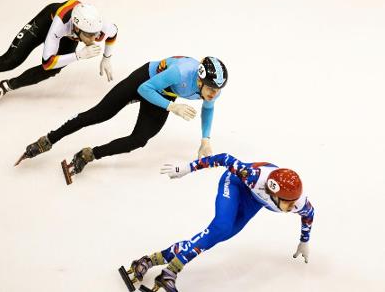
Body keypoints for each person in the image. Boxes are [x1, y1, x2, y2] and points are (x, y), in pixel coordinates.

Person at [120, 153, 314, 292]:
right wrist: (188, 167)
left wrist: (304, 240)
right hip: (236, 183)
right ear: (274, 193)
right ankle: (171, 272)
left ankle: (148, 260)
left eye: (292, 203)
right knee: (221, 226)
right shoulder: (252, 176)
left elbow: (309, 215)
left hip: (254, 200)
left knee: (215, 236)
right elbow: (223, 158)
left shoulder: (299, 203)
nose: (291, 207)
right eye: (287, 203)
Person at [16, 56, 229, 183]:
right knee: (99, 115)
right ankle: (48, 140)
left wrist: (205, 139)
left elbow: (208, 109)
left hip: (166, 93)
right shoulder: (181, 73)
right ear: (199, 80)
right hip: (145, 79)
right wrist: (172, 106)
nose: (213, 94)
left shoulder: (211, 91)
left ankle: (89, 155)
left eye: (217, 90)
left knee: (139, 140)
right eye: (211, 89)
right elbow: (144, 89)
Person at [0, 0, 118, 109]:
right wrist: (79, 56)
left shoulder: (96, 27)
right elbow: (47, 61)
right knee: (10, 60)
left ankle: (8, 85)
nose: (94, 39)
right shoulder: (60, 25)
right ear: (77, 28)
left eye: (95, 34)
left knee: (54, 70)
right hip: (47, 22)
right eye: (89, 35)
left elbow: (114, 33)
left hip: (70, 35)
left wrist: (107, 58)